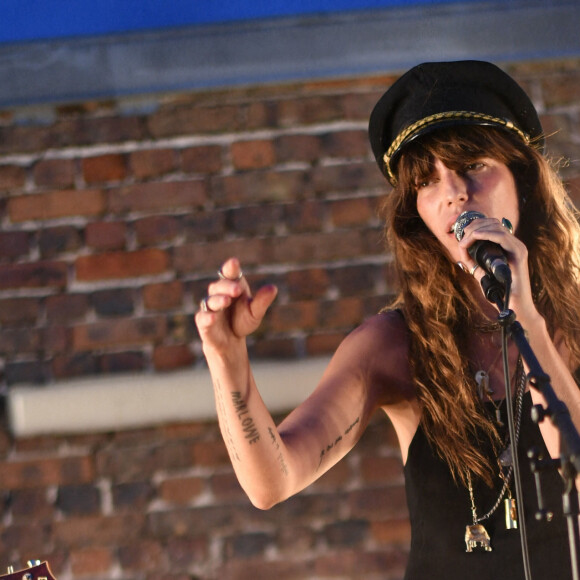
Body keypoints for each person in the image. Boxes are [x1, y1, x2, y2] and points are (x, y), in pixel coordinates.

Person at [195, 60, 580, 579]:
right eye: (427, 181)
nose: (454, 193)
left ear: (523, 180)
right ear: (415, 214)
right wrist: (227, 361)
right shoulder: (394, 345)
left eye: (472, 165)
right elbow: (273, 481)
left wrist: (524, 313)